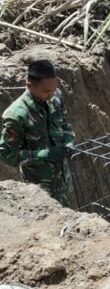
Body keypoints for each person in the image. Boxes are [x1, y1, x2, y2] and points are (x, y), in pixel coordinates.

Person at [0, 59, 75, 206]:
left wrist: (69, 142)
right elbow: (7, 154)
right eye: (47, 91)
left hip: (63, 180)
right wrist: (44, 155)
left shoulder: (55, 96)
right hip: (40, 188)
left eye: (54, 88)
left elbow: (65, 125)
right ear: (29, 85)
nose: (52, 94)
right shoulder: (16, 115)